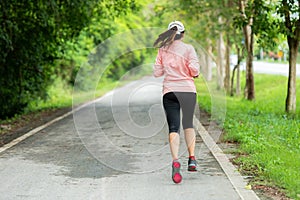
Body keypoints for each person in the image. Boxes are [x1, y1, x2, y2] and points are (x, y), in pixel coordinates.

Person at [153, 21, 200, 184]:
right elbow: (194, 70)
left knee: (174, 127)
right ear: (183, 34)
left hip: (170, 92)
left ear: (169, 33)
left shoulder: (162, 50)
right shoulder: (189, 49)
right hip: (188, 91)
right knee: (188, 124)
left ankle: (175, 160)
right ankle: (192, 158)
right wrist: (193, 72)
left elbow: (157, 72)